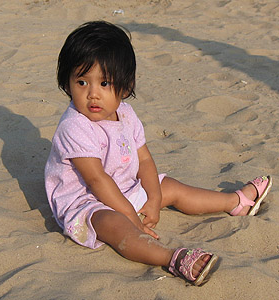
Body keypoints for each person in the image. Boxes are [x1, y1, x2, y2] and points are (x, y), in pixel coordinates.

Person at [44, 21, 272, 286]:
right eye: (81, 82)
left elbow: (144, 159)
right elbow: (96, 180)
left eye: (105, 83)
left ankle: (235, 202)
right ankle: (171, 258)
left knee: (170, 187)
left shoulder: (126, 115)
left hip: (123, 186)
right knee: (113, 225)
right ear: (67, 82)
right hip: (86, 202)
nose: (92, 94)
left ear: (126, 86)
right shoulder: (75, 126)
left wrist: (153, 197)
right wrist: (131, 216)